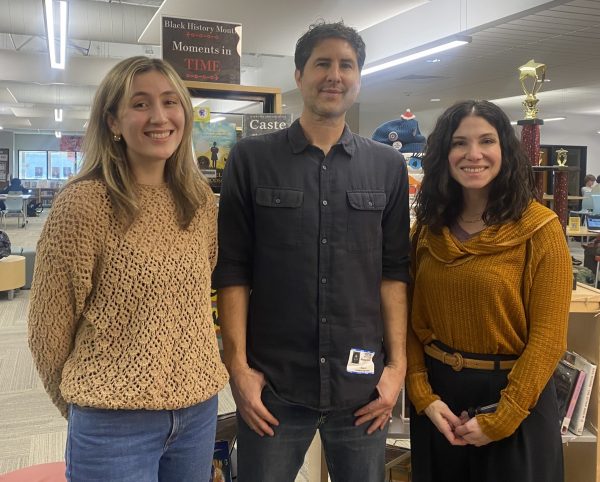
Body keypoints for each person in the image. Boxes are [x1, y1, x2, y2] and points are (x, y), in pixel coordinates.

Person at [212, 21, 410, 482]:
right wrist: (237, 368)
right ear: (299, 75)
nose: (334, 75)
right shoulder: (251, 159)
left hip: (363, 390)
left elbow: (394, 273)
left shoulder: (387, 167)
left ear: (359, 79)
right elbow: (233, 272)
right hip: (274, 387)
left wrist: (397, 368)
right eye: (322, 63)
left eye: (347, 65)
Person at [28, 56, 228, 482]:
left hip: (197, 411)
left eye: (170, 102)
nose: (159, 117)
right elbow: (48, 330)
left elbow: (196, 298)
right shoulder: (83, 205)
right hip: (113, 423)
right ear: (113, 121)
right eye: (140, 104)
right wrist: (85, 408)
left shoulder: (200, 202)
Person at [406, 100, 572, 482]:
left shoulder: (540, 230)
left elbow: (548, 339)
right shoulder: (426, 233)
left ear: (505, 151)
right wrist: (422, 394)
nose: (473, 154)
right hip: (440, 405)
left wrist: (505, 416)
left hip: (516, 403)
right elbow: (410, 322)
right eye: (459, 143)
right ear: (444, 154)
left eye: (486, 141)